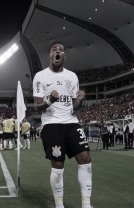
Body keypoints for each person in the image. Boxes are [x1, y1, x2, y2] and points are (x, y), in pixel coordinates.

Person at [33, 42, 92, 208]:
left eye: (60, 50)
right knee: (58, 164)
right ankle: (59, 205)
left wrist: (80, 100)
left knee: (86, 159)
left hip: (71, 122)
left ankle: (86, 204)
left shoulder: (72, 76)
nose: (57, 52)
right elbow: (37, 107)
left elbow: (74, 106)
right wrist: (49, 100)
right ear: (50, 55)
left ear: (64, 56)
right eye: (54, 50)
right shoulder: (40, 76)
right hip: (51, 124)